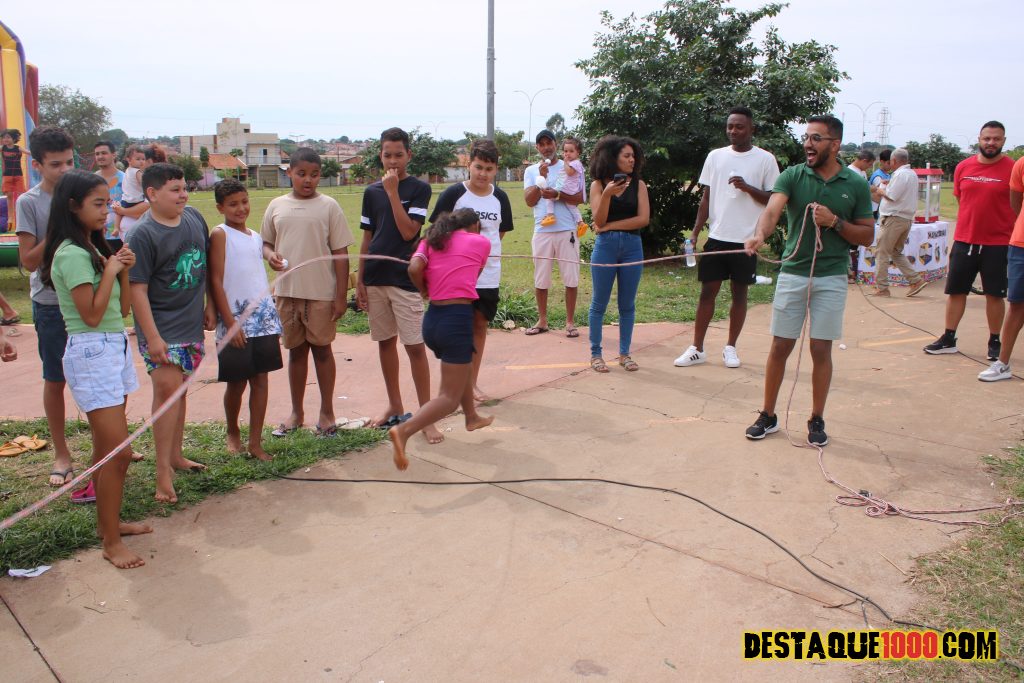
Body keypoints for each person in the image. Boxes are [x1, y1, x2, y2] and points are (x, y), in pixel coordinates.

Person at [41, 169, 151, 568]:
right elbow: (89, 315)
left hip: (112, 345)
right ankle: (110, 542)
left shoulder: (91, 247)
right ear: (73, 207)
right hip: (91, 351)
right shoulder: (71, 254)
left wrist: (122, 269)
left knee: (108, 451)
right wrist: (109, 271)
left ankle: (111, 527)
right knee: (119, 454)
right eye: (98, 204)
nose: (107, 211)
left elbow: (120, 309)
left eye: (108, 203)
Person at [743, 116, 875, 446]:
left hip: (831, 276)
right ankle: (768, 415)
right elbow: (771, 211)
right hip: (793, 273)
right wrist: (759, 234)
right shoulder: (793, 175)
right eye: (807, 137)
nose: (807, 144)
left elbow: (867, 236)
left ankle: (817, 418)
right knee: (780, 346)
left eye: (816, 138)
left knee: (820, 348)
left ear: (835, 144)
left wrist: (835, 222)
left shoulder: (855, 183)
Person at [388, 208, 495, 471]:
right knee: (448, 397)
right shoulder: (481, 242)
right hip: (456, 318)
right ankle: (404, 431)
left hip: (433, 319)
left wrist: (424, 289)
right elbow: (475, 274)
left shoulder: (431, 240)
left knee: (463, 365)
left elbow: (415, 267)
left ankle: (471, 417)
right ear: (474, 225)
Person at [128, 162, 210, 503]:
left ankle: (176, 455)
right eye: (175, 190)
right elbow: (137, 289)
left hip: (191, 325)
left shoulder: (194, 218)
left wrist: (210, 305)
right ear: (152, 193)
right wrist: (153, 337)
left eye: (184, 188)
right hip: (161, 328)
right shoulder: (142, 234)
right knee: (166, 393)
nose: (183, 195)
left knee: (179, 392)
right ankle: (162, 473)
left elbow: (207, 264)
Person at [674, 106, 779, 369]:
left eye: (739, 126)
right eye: (730, 126)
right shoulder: (715, 156)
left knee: (739, 293)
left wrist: (747, 187)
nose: (733, 131)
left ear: (752, 129)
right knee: (707, 293)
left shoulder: (765, 160)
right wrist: (695, 233)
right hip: (717, 237)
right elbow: (706, 198)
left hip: (746, 240)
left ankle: (730, 347)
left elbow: (773, 199)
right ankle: (697, 348)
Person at [356, 127, 441, 442]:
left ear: (409, 155)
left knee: (415, 346)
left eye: (398, 155)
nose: (392, 161)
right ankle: (394, 405)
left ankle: (425, 416)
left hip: (403, 278)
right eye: (387, 155)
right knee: (385, 342)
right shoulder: (371, 192)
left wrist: (393, 193)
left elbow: (409, 232)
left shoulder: (419, 189)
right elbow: (367, 236)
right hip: (375, 276)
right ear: (380, 155)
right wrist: (360, 278)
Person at [262, 148, 353, 437]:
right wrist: (270, 255)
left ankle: (327, 412)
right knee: (296, 352)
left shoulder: (329, 206)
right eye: (301, 174)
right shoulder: (276, 206)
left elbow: (341, 255)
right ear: (289, 172)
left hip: (321, 294)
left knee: (323, 351)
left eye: (314, 175)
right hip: (287, 293)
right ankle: (296, 412)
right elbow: (266, 243)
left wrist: (340, 297)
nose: (308, 180)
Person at [429, 137, 514, 402]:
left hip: (488, 275)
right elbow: (435, 232)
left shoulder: (500, 198)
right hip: (456, 277)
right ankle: (450, 388)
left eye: (489, 169)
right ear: (469, 164)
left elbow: (498, 233)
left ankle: (471, 384)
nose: (483, 174)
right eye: (478, 167)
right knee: (455, 330)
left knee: (479, 325)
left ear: (496, 169)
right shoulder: (453, 195)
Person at [15, 126, 77, 489]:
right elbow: (28, 261)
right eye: (56, 164)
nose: (65, 170)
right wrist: (58, 226)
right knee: (56, 378)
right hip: (51, 303)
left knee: (100, 376)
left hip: (87, 299)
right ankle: (62, 453)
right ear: (37, 165)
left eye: (69, 162)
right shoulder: (29, 202)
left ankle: (111, 443)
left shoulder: (80, 192)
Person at [923, 121, 1015, 360]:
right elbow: (961, 199)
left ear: (1004, 141)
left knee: (995, 294)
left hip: (998, 243)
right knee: (956, 291)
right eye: (987, 138)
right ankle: (949, 338)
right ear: (979, 139)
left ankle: (995, 341)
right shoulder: (964, 167)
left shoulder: (1013, 168)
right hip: (965, 240)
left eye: (996, 139)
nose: (991, 143)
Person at [208, 179, 283, 460]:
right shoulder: (220, 234)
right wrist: (230, 323)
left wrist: (273, 257)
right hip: (235, 320)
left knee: (261, 379)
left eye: (244, 202)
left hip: (263, 319)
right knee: (237, 382)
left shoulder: (254, 236)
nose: (241, 208)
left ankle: (255, 442)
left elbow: (261, 255)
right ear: (220, 208)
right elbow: (215, 280)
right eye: (232, 204)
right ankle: (232, 431)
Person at [587, 136, 650, 373]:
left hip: (633, 246)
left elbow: (642, 219)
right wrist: (607, 194)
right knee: (599, 303)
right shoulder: (597, 185)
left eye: (634, 156)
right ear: (613, 158)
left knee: (627, 304)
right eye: (627, 156)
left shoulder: (639, 185)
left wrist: (611, 226)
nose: (632, 160)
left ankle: (625, 354)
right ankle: (596, 355)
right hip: (606, 247)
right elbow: (599, 219)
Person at [524, 129, 584, 337]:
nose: (546, 147)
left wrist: (558, 195)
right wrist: (540, 178)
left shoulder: (571, 165)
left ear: (556, 144)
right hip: (542, 230)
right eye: (541, 144)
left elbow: (580, 198)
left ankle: (570, 322)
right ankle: (542, 320)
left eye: (549, 143)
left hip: (567, 230)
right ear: (537, 148)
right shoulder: (531, 170)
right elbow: (529, 201)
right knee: (541, 278)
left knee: (571, 278)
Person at [979, 154, 1024, 381]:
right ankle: (1003, 363)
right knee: (1016, 304)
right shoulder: (1022, 164)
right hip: (1021, 244)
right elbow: (1016, 202)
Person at [870, 148, 928, 297]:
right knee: (895, 252)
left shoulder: (901, 174)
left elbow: (892, 195)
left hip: (893, 218)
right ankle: (915, 280)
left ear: (894, 161)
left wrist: (879, 190)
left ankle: (882, 288)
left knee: (882, 253)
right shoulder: (911, 174)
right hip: (905, 218)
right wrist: (889, 184)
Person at [540, 137, 588, 234]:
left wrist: (565, 162)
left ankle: (550, 215)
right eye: (565, 151)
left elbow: (570, 172)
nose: (567, 153)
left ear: (578, 153)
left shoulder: (575, 163)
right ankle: (580, 223)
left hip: (566, 188)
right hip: (570, 189)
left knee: (549, 196)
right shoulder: (573, 163)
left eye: (571, 151)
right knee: (571, 206)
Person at [93, 140, 125, 252]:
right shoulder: (92, 180)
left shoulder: (125, 179)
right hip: (97, 234)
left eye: (104, 153)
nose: (100, 156)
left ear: (114, 155)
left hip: (120, 236)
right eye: (97, 154)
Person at [114, 145, 147, 241]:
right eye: (138, 159)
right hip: (137, 200)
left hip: (126, 199)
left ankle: (116, 228)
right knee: (141, 215)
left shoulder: (127, 170)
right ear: (129, 159)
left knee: (119, 212)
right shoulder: (138, 172)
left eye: (143, 159)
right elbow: (143, 184)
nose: (141, 161)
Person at [2, 128, 30, 231]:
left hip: (18, 175)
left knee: (21, 195)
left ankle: (21, 216)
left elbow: (29, 152)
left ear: (14, 139)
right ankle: (10, 218)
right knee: (9, 196)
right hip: (7, 175)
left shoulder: (18, 148)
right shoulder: (2, 148)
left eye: (8, 137)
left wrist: (38, 153)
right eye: (4, 137)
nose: (5, 139)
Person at [869, 148, 893, 219]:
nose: (890, 165)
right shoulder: (878, 176)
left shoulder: (887, 175)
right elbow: (878, 195)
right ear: (882, 162)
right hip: (876, 211)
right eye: (888, 163)